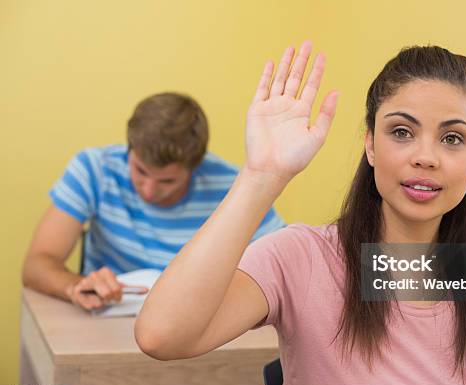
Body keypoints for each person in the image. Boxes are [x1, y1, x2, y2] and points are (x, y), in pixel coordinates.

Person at [135, 43, 466, 385]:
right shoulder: (299, 256)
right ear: (370, 145)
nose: (425, 157)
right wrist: (262, 175)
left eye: (452, 138)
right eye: (401, 132)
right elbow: (161, 337)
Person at [22, 92, 285, 311]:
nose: (148, 191)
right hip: (108, 320)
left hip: (196, 327)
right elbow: (37, 264)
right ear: (129, 149)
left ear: (195, 167)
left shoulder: (233, 186)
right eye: (140, 171)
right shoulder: (95, 168)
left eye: (167, 182)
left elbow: (284, 265)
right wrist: (74, 285)